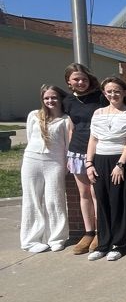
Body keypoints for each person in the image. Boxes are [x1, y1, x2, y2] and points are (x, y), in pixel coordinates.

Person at [84, 76, 126, 261]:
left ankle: (118, 245)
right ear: (104, 93)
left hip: (119, 161)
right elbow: (93, 139)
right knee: (102, 202)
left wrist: (120, 165)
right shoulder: (98, 113)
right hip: (99, 160)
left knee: (118, 203)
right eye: (109, 91)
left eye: (117, 91)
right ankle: (103, 244)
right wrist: (89, 163)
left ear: (124, 92)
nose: (113, 94)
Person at [20, 85, 71, 253]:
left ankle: (56, 238)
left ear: (60, 98)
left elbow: (67, 145)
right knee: (32, 200)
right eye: (46, 98)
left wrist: (66, 164)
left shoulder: (65, 120)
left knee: (54, 200)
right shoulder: (34, 116)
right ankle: (30, 241)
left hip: (55, 162)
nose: (50, 100)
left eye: (54, 97)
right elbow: (30, 137)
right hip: (32, 160)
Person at [63, 62, 106, 254]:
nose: (81, 82)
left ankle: (100, 232)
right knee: (84, 193)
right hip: (76, 152)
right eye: (76, 79)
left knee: (96, 192)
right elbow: (71, 127)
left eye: (84, 79)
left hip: (97, 151)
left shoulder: (100, 97)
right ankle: (89, 233)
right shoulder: (68, 101)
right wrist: (68, 153)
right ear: (68, 81)